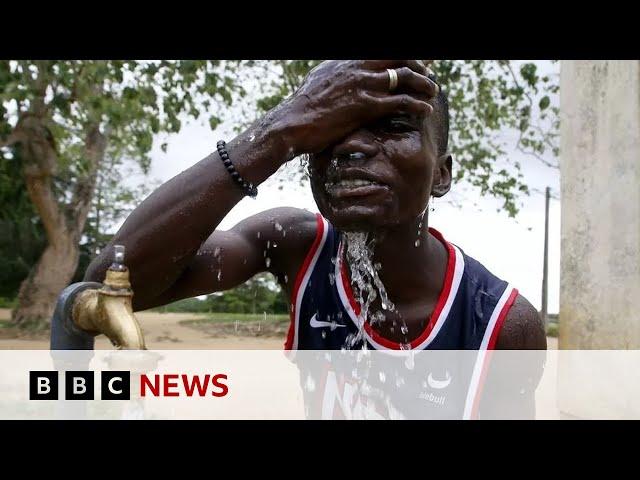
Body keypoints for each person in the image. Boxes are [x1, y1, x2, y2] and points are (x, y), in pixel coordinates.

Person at [85, 60, 546, 353]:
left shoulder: (500, 327)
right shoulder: (292, 246)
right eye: (326, 130)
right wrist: (277, 132)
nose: (350, 147)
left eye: (392, 127)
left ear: (441, 174)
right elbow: (109, 288)